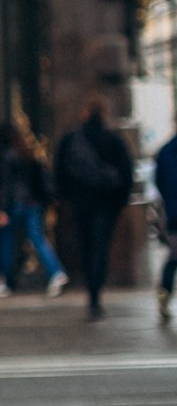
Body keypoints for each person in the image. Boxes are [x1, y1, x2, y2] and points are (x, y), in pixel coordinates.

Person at [53, 98, 135, 322]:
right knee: (100, 248)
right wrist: (119, 201)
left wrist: (64, 199)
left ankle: (92, 291)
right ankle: (95, 296)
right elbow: (127, 174)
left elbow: (60, 173)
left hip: (81, 204)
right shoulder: (113, 140)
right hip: (106, 205)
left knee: (86, 247)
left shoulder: (72, 140)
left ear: (85, 113)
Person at [0, 123, 68, 299]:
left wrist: (1, 210)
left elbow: (6, 186)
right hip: (33, 203)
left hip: (15, 204)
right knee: (37, 238)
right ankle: (56, 271)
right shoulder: (27, 153)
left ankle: (5, 280)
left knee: (6, 241)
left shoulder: (7, 156)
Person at [154, 129, 177, 325]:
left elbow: (159, 182)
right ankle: (165, 290)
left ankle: (165, 290)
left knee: (174, 255)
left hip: (173, 211)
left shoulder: (166, 151)